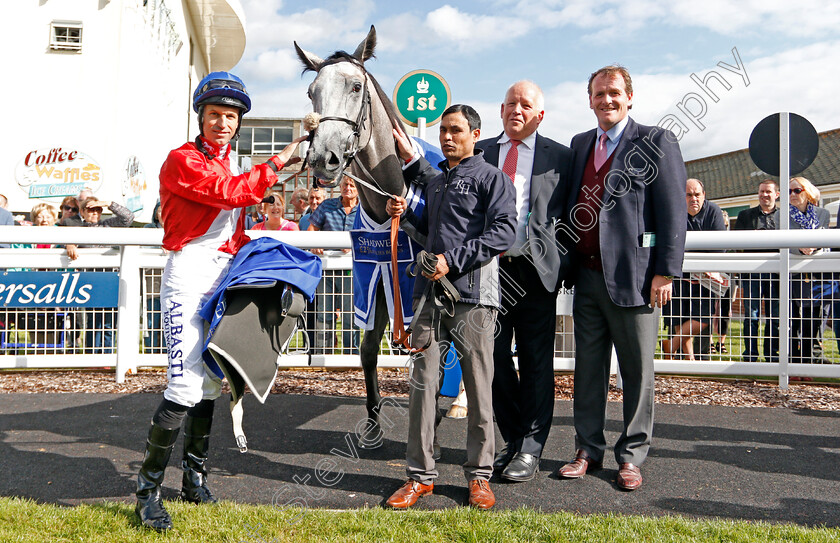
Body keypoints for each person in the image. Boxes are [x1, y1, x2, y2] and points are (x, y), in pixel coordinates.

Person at [134, 71, 305, 532]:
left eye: (231, 116)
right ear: (201, 117)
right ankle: (146, 494)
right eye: (215, 115)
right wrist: (286, 154)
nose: (223, 123)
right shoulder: (182, 160)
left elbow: (235, 223)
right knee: (183, 386)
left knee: (212, 382)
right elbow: (232, 194)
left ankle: (194, 481)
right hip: (188, 274)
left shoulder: (232, 162)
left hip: (222, 274)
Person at [556, 65, 686, 491]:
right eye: (598, 94)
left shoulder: (655, 141)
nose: (606, 100)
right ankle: (587, 449)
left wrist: (665, 271)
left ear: (629, 97)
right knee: (587, 371)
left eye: (614, 93)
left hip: (636, 280)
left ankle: (631, 456)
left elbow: (672, 213)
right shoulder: (579, 145)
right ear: (588, 99)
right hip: (587, 279)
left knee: (636, 372)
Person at [385, 104, 516, 510]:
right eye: (444, 130)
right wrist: (404, 219)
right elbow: (430, 235)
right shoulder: (439, 182)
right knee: (421, 387)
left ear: (476, 134)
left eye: (456, 130)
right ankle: (419, 476)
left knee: (478, 389)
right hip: (429, 294)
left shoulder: (492, 178)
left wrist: (452, 261)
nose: (447, 136)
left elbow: (505, 232)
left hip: (474, 298)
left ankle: (479, 476)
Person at [474, 80, 573, 482]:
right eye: (510, 103)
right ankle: (513, 439)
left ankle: (531, 448)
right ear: (500, 110)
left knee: (535, 363)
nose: (517, 109)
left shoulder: (562, 157)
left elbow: (571, 213)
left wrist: (559, 262)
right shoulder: (479, 153)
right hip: (486, 273)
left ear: (540, 115)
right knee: (493, 359)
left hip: (534, 274)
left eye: (525, 104)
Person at [662, 179, 726, 361]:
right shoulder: (675, 213)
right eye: (689, 195)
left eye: (697, 194)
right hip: (679, 275)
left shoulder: (713, 211)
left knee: (703, 319)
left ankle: (671, 345)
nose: (693, 199)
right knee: (678, 319)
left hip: (706, 276)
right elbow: (671, 242)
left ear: (704, 195)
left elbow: (719, 245)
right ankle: (688, 361)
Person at [75, 197, 134, 354]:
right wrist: (69, 244)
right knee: (92, 321)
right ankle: (90, 357)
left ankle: (107, 357)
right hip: (89, 281)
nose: (94, 213)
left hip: (110, 279)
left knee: (108, 322)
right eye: (90, 209)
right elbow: (65, 242)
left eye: (98, 209)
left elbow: (128, 217)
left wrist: (109, 203)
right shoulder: (77, 229)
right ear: (82, 212)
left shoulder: (108, 224)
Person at [307, 176, 360, 354]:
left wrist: (353, 246)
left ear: (358, 188)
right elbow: (311, 230)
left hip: (352, 270)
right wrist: (315, 243)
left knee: (350, 313)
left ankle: (351, 353)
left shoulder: (364, 209)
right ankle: (324, 352)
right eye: (345, 184)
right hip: (327, 268)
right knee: (324, 312)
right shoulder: (327, 206)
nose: (348, 187)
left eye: (352, 185)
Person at [735, 180, 780, 362]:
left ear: (777, 194)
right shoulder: (745, 215)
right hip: (753, 272)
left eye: (768, 191)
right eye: (761, 191)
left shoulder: (785, 216)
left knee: (775, 316)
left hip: (777, 274)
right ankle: (750, 355)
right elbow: (737, 243)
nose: (764, 195)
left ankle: (771, 354)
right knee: (751, 315)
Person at [788, 177, 830, 364]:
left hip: (815, 275)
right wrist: (799, 249)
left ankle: (808, 362)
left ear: (807, 191)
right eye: (789, 191)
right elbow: (782, 243)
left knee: (813, 318)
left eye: (797, 190)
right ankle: (794, 362)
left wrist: (814, 247)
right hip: (793, 273)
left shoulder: (823, 213)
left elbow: (826, 241)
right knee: (793, 319)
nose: (792, 195)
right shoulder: (782, 215)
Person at [711, 210, 733, 354]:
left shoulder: (731, 239)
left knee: (725, 311)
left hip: (728, 277)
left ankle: (721, 342)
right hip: (711, 276)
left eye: (725, 224)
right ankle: (710, 341)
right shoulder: (711, 237)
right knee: (712, 310)